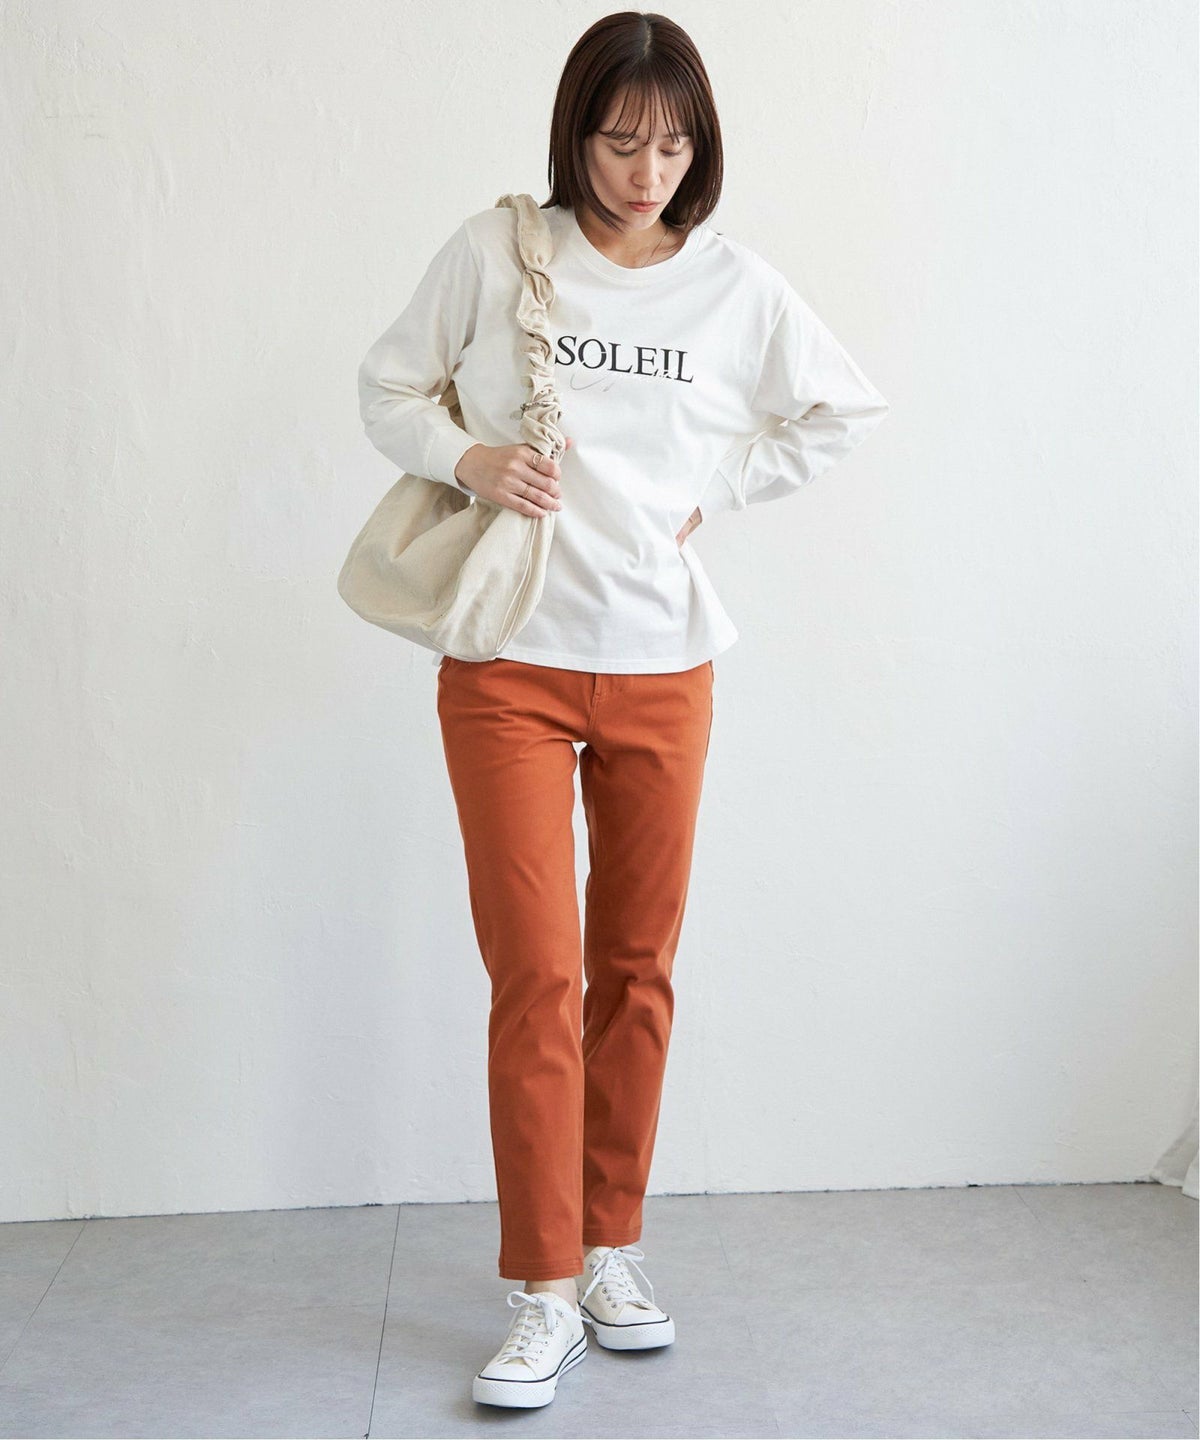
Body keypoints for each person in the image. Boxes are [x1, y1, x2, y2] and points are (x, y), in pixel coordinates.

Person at [356, 10, 890, 1410]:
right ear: (574, 135)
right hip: (508, 669)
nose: (647, 172)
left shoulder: (735, 287)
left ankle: (611, 1250)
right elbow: (385, 386)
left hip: (664, 663)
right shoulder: (499, 253)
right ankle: (541, 1289)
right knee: (537, 975)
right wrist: (470, 459)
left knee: (636, 970)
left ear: (699, 147)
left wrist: (719, 491)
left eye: (672, 144)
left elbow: (840, 412)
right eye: (618, 141)